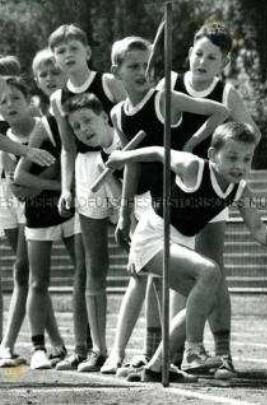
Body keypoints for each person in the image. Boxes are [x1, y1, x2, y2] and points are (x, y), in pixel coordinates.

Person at [106, 121, 267, 382]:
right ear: (212, 155)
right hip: (152, 239)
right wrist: (122, 157)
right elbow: (157, 152)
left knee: (205, 300)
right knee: (211, 272)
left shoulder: (240, 190)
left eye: (247, 159)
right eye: (232, 157)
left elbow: (258, 229)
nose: (240, 165)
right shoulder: (193, 167)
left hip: (178, 244)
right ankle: (193, 351)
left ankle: (156, 367)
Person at [101, 35, 229, 375]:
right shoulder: (117, 113)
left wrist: (191, 141)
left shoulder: (164, 99)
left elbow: (221, 111)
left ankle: (167, 360)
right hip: (149, 207)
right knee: (154, 280)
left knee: (192, 289)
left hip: (177, 203)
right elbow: (131, 164)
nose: (143, 71)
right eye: (133, 66)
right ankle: (140, 355)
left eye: (146, 65)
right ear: (116, 71)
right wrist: (124, 213)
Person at [157, 22, 262, 378]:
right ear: (189, 54)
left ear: (223, 63)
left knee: (213, 268)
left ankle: (222, 353)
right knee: (179, 273)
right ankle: (179, 353)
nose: (202, 61)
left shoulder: (226, 92)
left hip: (211, 190)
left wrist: (235, 166)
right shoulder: (169, 83)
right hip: (174, 191)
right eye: (198, 53)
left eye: (212, 57)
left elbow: (253, 133)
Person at [48, 23, 126, 372]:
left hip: (121, 163)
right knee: (93, 266)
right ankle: (94, 349)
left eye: (73, 49)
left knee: (144, 256)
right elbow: (67, 147)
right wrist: (66, 188)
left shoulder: (107, 82)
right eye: (60, 51)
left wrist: (124, 161)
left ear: (87, 52)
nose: (67, 56)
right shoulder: (56, 98)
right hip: (84, 172)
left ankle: (160, 347)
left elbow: (131, 119)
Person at [31, 48, 92, 370]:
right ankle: (49, 344)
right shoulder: (43, 120)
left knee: (83, 270)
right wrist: (60, 186)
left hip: (80, 196)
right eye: (44, 74)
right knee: (37, 278)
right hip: (48, 204)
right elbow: (22, 175)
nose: (51, 78)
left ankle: (87, 344)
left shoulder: (82, 106)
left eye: (55, 71)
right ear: (37, 81)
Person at [0, 75, 64, 368]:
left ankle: (8, 344)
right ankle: (56, 343)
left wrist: (37, 182)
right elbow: (15, 185)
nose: (9, 105)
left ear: (29, 101)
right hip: (8, 203)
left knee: (24, 272)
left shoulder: (43, 127)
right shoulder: (4, 134)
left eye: (15, 99)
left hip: (34, 207)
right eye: (2, 101)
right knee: (26, 274)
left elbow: (33, 182)